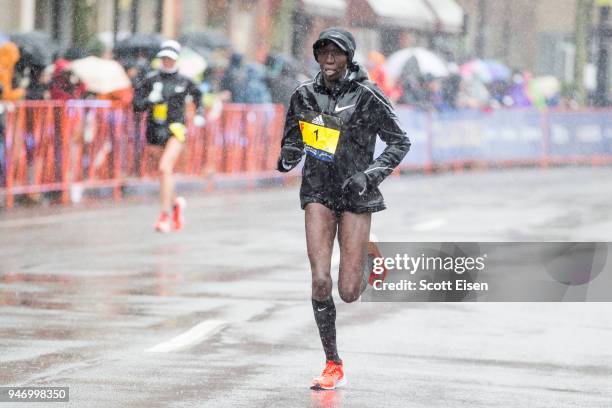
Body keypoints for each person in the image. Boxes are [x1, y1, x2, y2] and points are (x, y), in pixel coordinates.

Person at [276, 27, 410, 390]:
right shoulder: (304, 95)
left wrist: (370, 176)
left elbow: (400, 141)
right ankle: (333, 363)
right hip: (318, 192)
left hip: (356, 194)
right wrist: (288, 157)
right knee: (320, 280)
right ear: (317, 56)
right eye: (323, 52)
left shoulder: (367, 95)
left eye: (336, 53)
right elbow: (292, 140)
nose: (329, 59)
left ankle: (369, 248)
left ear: (349, 56)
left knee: (349, 291)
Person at [133, 40, 205, 233]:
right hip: (154, 131)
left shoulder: (184, 81)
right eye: (164, 58)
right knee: (164, 173)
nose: (167, 62)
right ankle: (176, 206)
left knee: (165, 168)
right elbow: (136, 105)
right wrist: (149, 100)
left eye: (170, 59)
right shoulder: (150, 80)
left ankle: (164, 216)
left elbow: (199, 96)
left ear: (176, 59)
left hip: (175, 130)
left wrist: (199, 114)